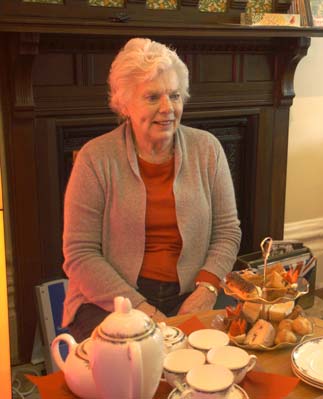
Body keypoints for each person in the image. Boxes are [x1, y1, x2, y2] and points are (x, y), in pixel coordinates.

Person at [61, 38, 241, 341]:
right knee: (133, 368)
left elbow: (227, 231)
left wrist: (208, 288)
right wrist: (142, 309)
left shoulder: (208, 149)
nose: (167, 108)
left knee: (225, 359)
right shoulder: (96, 158)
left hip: (192, 292)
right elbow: (79, 253)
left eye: (174, 95)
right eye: (152, 96)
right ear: (125, 104)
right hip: (111, 300)